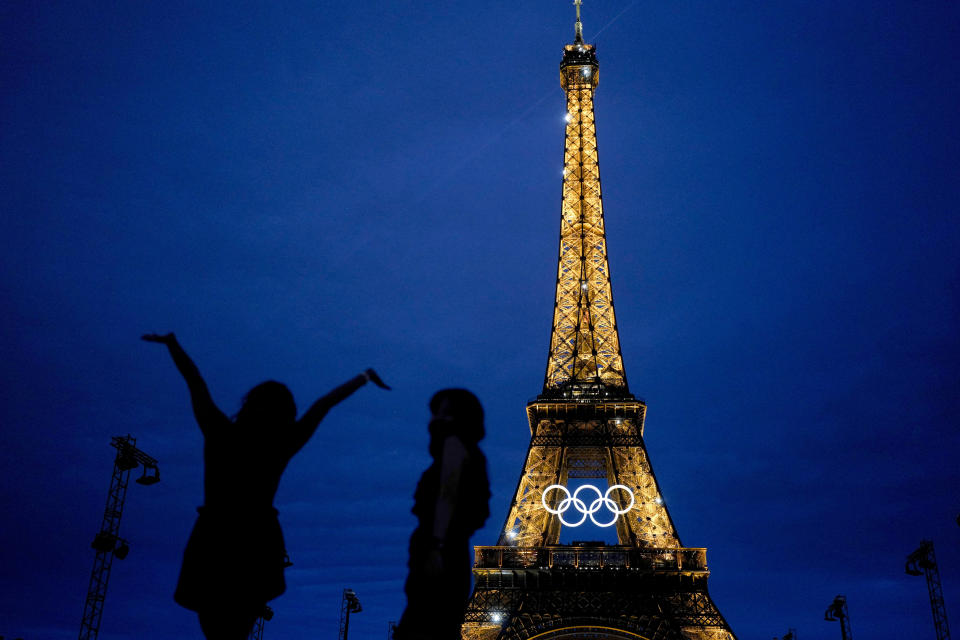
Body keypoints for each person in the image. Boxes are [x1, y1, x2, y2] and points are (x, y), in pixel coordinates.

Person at [142, 332, 389, 639]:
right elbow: (324, 405)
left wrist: (173, 346)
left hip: (215, 534)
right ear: (287, 413)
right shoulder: (282, 443)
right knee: (238, 626)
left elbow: (195, 382)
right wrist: (363, 377)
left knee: (215, 624)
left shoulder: (220, 431)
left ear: (249, 405)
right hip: (256, 539)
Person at [395, 389, 490, 640]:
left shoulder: (453, 445)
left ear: (459, 417)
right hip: (453, 548)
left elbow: (447, 495)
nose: (435, 420)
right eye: (435, 414)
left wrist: (437, 545)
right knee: (443, 624)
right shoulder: (473, 454)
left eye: (444, 413)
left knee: (421, 623)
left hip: (439, 546)